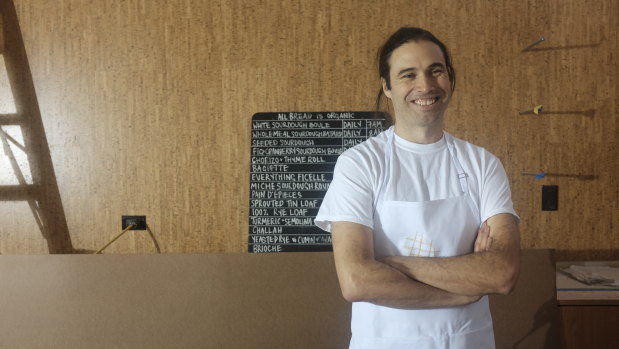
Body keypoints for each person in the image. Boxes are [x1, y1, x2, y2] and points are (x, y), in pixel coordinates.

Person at [314, 27, 520, 349]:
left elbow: (502, 273)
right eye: (408, 75)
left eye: (435, 70)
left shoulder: (483, 164)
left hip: (468, 340)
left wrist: (393, 263)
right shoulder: (359, 164)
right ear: (387, 87)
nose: (425, 85)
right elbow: (356, 280)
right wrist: (464, 289)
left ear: (449, 79)